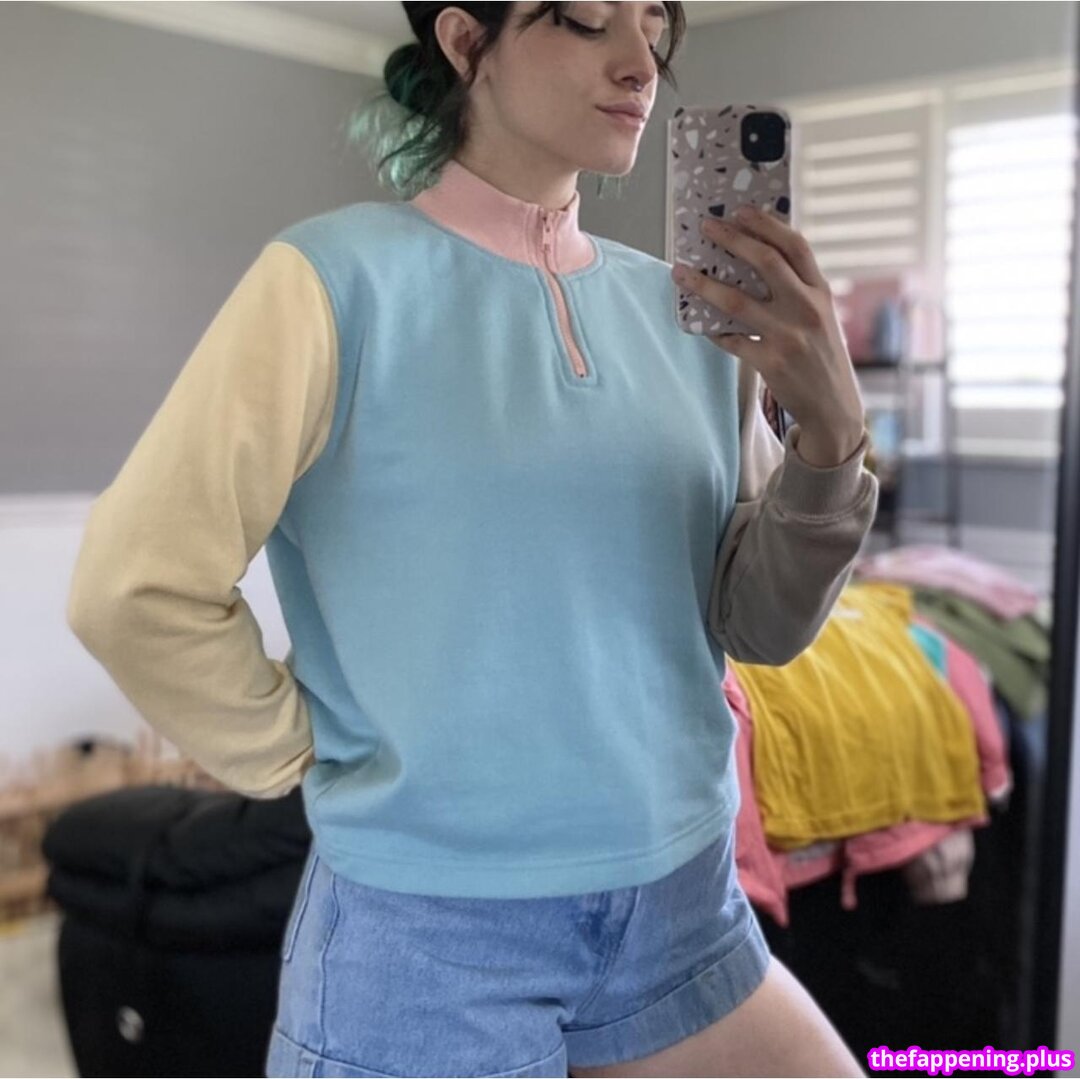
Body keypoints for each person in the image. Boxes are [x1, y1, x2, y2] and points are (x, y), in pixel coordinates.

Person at [66, 2, 878, 1075]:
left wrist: (830, 435)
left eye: (652, 27)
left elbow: (762, 626)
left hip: (685, 900)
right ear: (464, 42)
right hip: (432, 937)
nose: (639, 64)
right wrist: (311, 750)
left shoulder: (688, 315)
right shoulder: (331, 281)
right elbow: (134, 586)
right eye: (587, 20)